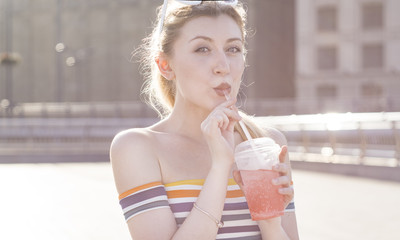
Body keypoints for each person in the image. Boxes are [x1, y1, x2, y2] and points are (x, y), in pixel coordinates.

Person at [110, 0, 299, 239]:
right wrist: (220, 167)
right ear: (165, 65)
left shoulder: (266, 142)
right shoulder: (138, 148)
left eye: (233, 49)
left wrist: (271, 221)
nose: (223, 66)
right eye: (202, 49)